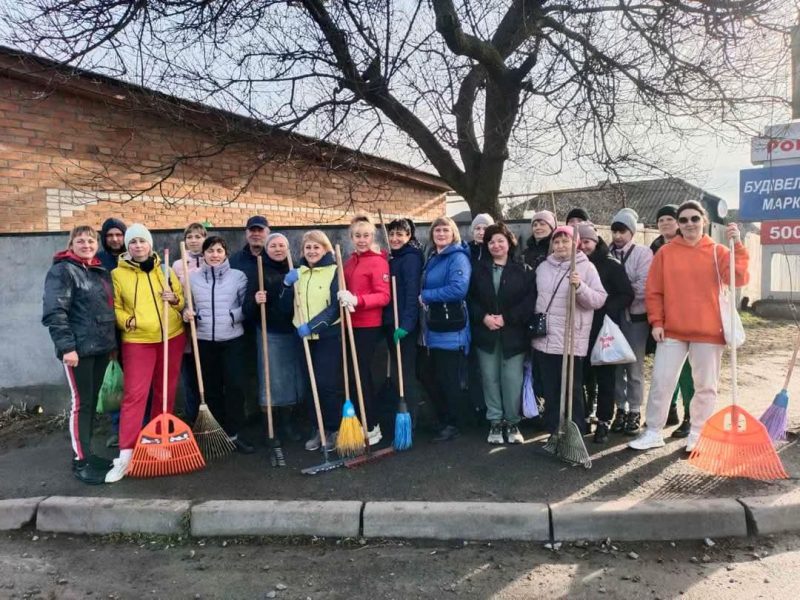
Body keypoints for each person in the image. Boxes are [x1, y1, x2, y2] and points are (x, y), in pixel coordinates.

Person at [629, 201, 748, 452]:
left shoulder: (718, 252)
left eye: (694, 218)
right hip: (672, 330)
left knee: (705, 385)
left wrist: (737, 245)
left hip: (709, 332)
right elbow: (654, 291)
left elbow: (739, 278)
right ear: (678, 224)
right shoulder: (666, 252)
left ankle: (697, 432)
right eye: (683, 220)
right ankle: (653, 431)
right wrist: (657, 322)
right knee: (662, 381)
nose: (689, 224)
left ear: (703, 220)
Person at [105, 224, 186, 483]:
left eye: (142, 241)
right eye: (133, 242)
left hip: (171, 336)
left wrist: (174, 299)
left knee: (165, 393)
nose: (138, 246)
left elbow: (182, 300)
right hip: (138, 340)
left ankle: (158, 443)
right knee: (135, 396)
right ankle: (126, 454)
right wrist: (127, 322)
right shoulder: (118, 274)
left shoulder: (166, 269)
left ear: (150, 244)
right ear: (127, 247)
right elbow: (115, 307)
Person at [42, 226, 117, 484]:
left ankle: (89, 453)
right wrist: (67, 348)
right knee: (81, 404)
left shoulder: (98, 271)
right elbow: (55, 312)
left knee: (91, 402)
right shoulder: (62, 271)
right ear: (71, 244)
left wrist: (111, 346)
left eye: (91, 240)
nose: (86, 244)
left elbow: (106, 310)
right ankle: (80, 461)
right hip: (78, 351)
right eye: (81, 240)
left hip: (99, 349)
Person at [533, 226, 607, 435]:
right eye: (556, 242)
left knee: (572, 390)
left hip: (570, 338)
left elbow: (599, 299)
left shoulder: (586, 268)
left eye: (565, 241)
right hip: (545, 338)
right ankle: (554, 432)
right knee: (551, 389)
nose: (560, 246)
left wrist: (580, 286)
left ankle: (575, 432)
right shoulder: (543, 267)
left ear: (575, 244)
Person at [183, 236, 253, 453]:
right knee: (211, 389)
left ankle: (234, 433)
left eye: (219, 251)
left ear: (225, 254)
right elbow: (187, 306)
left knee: (235, 387)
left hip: (232, 340)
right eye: (210, 251)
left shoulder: (238, 277)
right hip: (204, 341)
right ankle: (217, 432)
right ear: (203, 254)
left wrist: (233, 316)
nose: (214, 255)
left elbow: (247, 307)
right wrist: (187, 313)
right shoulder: (191, 279)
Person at [469, 222, 536, 444]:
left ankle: (513, 421)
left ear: (509, 243)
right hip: (486, 334)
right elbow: (470, 299)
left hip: (513, 335)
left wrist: (507, 318)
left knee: (512, 379)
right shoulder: (478, 269)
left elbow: (529, 302)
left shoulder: (523, 270)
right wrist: (484, 317)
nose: (495, 245)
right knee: (490, 378)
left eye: (500, 240)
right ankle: (495, 422)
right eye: (491, 241)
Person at [281, 230, 343, 451]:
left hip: (327, 337)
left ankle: (335, 429)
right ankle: (319, 429)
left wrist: (313, 326)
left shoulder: (335, 271)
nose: (312, 251)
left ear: (325, 249)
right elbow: (284, 307)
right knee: (311, 386)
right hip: (303, 339)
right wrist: (286, 287)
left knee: (327, 384)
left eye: (317, 247)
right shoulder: (299, 273)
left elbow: (335, 308)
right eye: (308, 247)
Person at [244, 232, 305, 442]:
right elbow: (247, 309)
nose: (278, 249)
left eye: (282, 245)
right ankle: (271, 427)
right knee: (271, 380)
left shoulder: (296, 269)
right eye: (273, 246)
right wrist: (255, 299)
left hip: (294, 331)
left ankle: (288, 423)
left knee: (291, 380)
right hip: (269, 331)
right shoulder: (259, 271)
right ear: (266, 249)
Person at [577, 223, 634, 444]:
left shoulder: (611, 265)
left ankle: (603, 420)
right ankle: (582, 417)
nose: (582, 246)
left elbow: (626, 294)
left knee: (605, 377)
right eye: (579, 242)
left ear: (595, 241)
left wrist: (605, 307)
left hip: (603, 329)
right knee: (582, 377)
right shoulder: (572, 264)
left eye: (587, 241)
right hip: (580, 329)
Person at [419, 216, 472, 442]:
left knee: (450, 379)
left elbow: (458, 289)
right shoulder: (433, 257)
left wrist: (427, 296)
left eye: (445, 230)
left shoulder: (457, 257)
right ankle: (444, 419)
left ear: (453, 234)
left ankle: (453, 423)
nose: (441, 234)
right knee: (433, 375)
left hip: (452, 328)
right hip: (435, 326)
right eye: (437, 231)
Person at [339, 215, 391, 445]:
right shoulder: (349, 261)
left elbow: (384, 296)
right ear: (351, 237)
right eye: (357, 236)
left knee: (361, 375)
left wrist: (357, 300)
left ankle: (372, 424)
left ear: (373, 237)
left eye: (366, 235)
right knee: (351, 375)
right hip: (349, 325)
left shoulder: (378, 261)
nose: (362, 240)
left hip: (368, 325)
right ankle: (359, 422)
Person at [650, 204, 694, 436]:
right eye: (661, 220)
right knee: (666, 370)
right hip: (663, 317)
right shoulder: (655, 247)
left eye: (670, 218)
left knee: (688, 370)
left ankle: (690, 415)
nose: (665, 223)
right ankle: (670, 409)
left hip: (687, 317)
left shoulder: (689, 245)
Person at [608, 208, 653, 436]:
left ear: (632, 232)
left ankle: (635, 410)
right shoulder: (607, 253)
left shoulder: (642, 253)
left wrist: (621, 294)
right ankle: (620, 409)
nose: (617, 236)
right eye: (615, 231)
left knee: (634, 366)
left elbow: (644, 285)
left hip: (635, 318)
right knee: (615, 366)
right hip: (613, 319)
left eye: (622, 231)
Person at [382, 218, 424, 432]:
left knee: (405, 374)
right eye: (392, 234)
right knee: (397, 373)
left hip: (403, 325)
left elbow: (411, 294)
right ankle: (402, 416)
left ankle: (411, 420)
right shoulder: (393, 257)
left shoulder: (410, 258)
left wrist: (406, 325)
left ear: (409, 237)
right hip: (391, 322)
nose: (395, 238)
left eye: (400, 234)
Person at [171, 222, 207, 424]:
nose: (194, 241)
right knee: (190, 376)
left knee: (209, 373)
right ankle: (193, 418)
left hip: (209, 326)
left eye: (198, 236)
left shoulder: (214, 259)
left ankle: (212, 416)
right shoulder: (178, 265)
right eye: (190, 237)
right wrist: (185, 310)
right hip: (187, 326)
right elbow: (177, 296)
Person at [95, 217, 126, 448]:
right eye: (110, 236)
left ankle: (139, 424)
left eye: (118, 234)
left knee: (134, 380)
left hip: (133, 327)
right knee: (114, 380)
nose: (115, 239)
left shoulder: (132, 257)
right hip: (108, 329)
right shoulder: (99, 262)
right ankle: (117, 427)